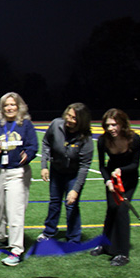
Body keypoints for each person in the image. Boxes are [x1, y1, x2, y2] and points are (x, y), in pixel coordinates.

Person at [0, 92, 38, 266]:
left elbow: (33, 146)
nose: (9, 108)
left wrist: (28, 155)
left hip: (17, 171)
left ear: (19, 107)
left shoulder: (26, 124)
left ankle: (16, 249)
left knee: (14, 211)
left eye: (12, 105)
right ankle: (2, 237)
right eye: (6, 105)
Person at [38, 102, 94, 244]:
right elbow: (46, 143)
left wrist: (75, 189)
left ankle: (74, 238)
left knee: (72, 204)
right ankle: (49, 231)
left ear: (81, 120)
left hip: (74, 175)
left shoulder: (86, 138)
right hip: (56, 171)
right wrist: (44, 166)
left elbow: (84, 166)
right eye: (68, 115)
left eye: (74, 118)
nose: (69, 120)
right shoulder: (56, 125)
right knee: (54, 203)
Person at [93, 108, 140, 266]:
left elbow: (135, 164)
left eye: (114, 125)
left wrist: (121, 171)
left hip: (128, 179)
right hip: (112, 180)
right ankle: (105, 244)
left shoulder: (135, 139)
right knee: (111, 209)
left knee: (122, 210)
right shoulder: (103, 141)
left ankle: (122, 253)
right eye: (108, 125)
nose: (111, 129)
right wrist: (107, 181)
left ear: (122, 124)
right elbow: (102, 166)